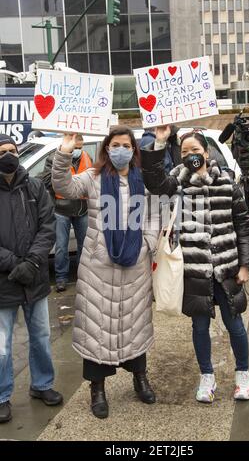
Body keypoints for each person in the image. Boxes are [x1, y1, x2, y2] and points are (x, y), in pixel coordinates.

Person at [141, 126, 249, 403]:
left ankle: (243, 374)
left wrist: (245, 266)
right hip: (194, 270)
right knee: (199, 326)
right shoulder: (176, 182)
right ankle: (207, 376)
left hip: (227, 268)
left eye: (195, 150)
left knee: (235, 325)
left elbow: (244, 228)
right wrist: (159, 142)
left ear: (207, 152)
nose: (190, 156)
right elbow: (154, 183)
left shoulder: (227, 184)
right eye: (184, 152)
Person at [51, 127, 159, 419]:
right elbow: (63, 185)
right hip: (98, 269)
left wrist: (147, 244)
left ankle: (140, 378)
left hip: (134, 268)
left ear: (134, 150)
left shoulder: (143, 179)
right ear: (107, 148)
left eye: (126, 145)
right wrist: (65, 150)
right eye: (115, 145)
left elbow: (153, 214)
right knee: (95, 330)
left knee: (135, 324)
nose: (120, 149)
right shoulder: (94, 177)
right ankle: (97, 390)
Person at [0, 134, 63, 424]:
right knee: (1, 345)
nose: (8, 155)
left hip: (34, 279)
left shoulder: (36, 187)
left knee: (41, 336)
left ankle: (42, 385)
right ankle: (1, 396)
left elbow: (47, 228)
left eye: (12, 150)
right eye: (2, 152)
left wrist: (33, 261)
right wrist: (15, 264)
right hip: (4, 281)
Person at [39, 134, 92, 292]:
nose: (78, 150)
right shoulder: (54, 158)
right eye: (76, 147)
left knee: (85, 246)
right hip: (61, 209)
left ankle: (84, 276)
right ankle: (61, 278)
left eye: (80, 148)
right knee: (61, 246)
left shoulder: (87, 157)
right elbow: (46, 181)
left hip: (82, 209)